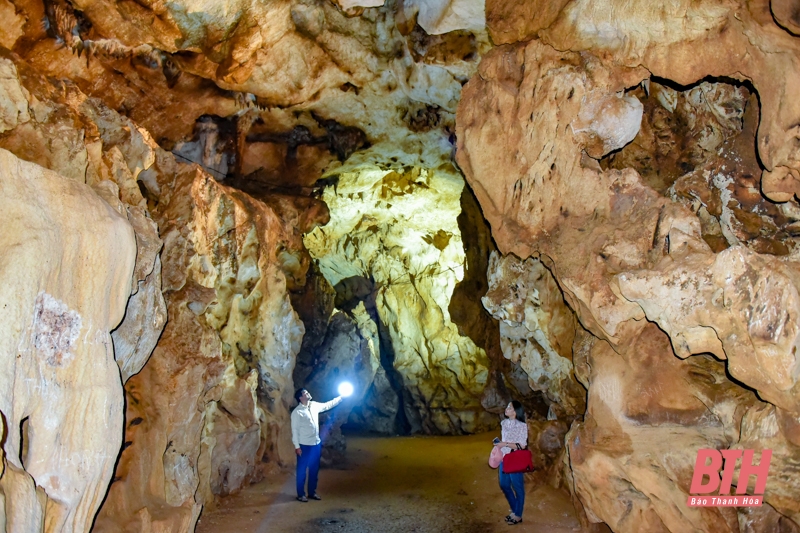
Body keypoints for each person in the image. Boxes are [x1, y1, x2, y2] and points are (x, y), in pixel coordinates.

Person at [291, 388, 343, 502]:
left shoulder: (313, 405)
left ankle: (312, 492)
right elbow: (294, 430)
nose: (308, 393)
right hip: (304, 445)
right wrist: (297, 446)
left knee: (314, 470)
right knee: (302, 470)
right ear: (300, 397)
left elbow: (327, 406)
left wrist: (340, 398)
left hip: (315, 444)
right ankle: (301, 494)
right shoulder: (297, 412)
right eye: (305, 393)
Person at [493, 400, 528, 525]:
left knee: (518, 487)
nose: (506, 408)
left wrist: (505, 444)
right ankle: (515, 510)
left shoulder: (522, 426)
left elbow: (522, 445)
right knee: (504, 484)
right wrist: (499, 446)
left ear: (515, 411)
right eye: (507, 406)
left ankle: (518, 515)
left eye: (509, 407)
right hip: (504, 457)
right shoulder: (504, 423)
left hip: (515, 458)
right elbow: (505, 439)